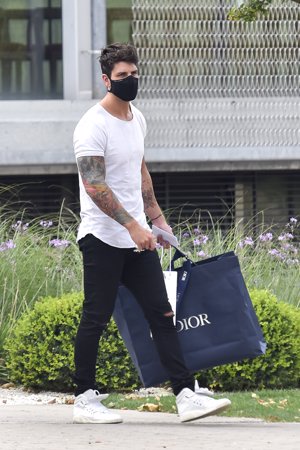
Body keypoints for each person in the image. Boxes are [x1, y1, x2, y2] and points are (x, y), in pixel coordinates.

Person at [72, 43, 231, 424]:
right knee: (96, 316)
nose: (130, 81)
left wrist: (156, 219)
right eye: (122, 76)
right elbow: (94, 186)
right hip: (102, 238)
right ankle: (83, 399)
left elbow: (140, 170)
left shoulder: (137, 118)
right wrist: (131, 225)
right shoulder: (92, 125)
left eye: (134, 73)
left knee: (162, 313)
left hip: (138, 235)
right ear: (106, 80)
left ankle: (185, 395)